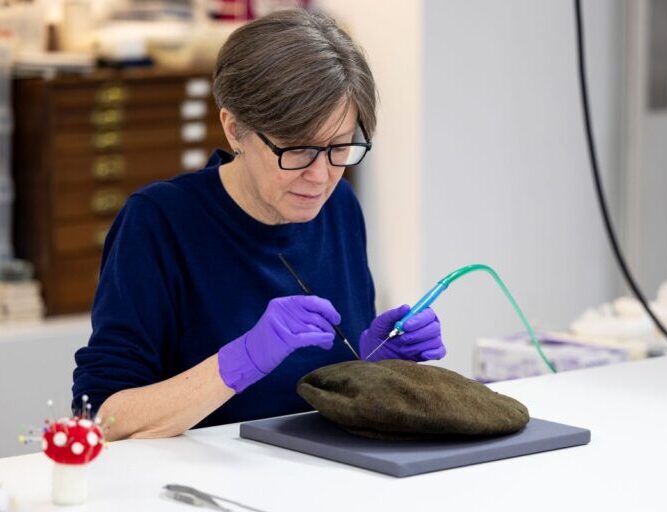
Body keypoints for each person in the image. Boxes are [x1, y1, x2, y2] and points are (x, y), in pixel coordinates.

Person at [72, 9, 445, 441]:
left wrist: (374, 363)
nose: (321, 176)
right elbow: (99, 419)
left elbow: (323, 397)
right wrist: (241, 361)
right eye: (297, 150)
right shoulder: (159, 222)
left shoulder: (339, 205)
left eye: (340, 148)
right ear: (234, 129)